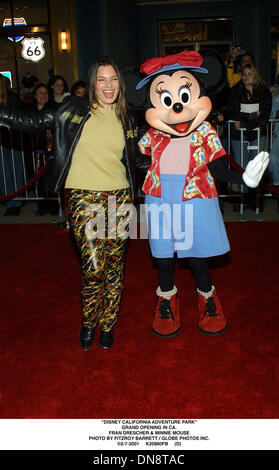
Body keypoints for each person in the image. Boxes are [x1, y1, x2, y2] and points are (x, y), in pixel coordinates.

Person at [0, 57, 138, 351]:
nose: (108, 86)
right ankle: (89, 322)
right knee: (94, 268)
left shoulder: (129, 117)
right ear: (92, 83)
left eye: (113, 79)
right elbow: (32, 121)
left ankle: (108, 324)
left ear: (120, 83)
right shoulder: (72, 109)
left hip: (120, 198)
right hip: (83, 197)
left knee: (115, 267)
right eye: (102, 79)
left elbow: (138, 160)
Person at [136, 50, 268, 338]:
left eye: (184, 98)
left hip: (194, 200)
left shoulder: (205, 132)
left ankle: (207, 296)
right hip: (160, 199)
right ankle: (166, 298)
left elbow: (220, 169)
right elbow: (137, 160)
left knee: (196, 254)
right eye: (168, 101)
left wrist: (244, 179)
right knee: (164, 255)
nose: (178, 109)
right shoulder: (152, 135)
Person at [227, 63, 272, 207]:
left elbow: (264, 117)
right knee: (241, 167)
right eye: (244, 74)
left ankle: (255, 199)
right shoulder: (235, 91)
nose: (246, 77)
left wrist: (245, 121)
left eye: (249, 74)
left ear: (255, 75)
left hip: (257, 133)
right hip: (238, 135)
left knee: (256, 168)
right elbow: (233, 112)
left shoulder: (264, 92)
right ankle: (242, 200)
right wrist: (254, 115)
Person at [25, 83, 58, 215]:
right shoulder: (29, 111)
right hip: (33, 150)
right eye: (40, 93)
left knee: (51, 179)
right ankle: (41, 207)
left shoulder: (54, 109)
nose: (43, 96)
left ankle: (54, 206)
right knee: (36, 179)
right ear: (35, 96)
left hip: (51, 151)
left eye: (45, 93)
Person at [0, 74, 25, 216]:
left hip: (14, 140)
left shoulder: (12, 98)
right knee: (4, 173)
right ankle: (10, 201)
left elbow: (18, 118)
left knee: (15, 172)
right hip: (3, 141)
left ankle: (17, 201)